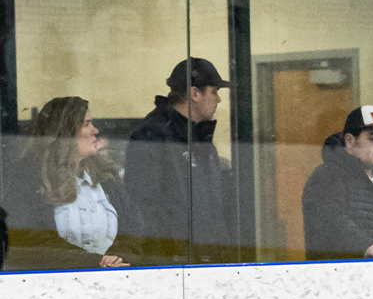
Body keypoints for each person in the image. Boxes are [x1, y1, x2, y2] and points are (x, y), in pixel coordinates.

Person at [123, 57, 235, 264]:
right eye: (214, 91)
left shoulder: (202, 139)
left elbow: (212, 209)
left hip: (208, 262)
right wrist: (169, 261)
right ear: (195, 93)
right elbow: (144, 208)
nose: (218, 100)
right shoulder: (153, 136)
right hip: (174, 265)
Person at [4, 97, 135, 271]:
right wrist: (94, 262)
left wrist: (117, 257)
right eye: (86, 124)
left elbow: (135, 230)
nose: (95, 130)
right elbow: (29, 244)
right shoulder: (28, 179)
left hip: (112, 280)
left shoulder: (107, 178)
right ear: (65, 132)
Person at [301, 106, 373, 261]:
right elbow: (329, 221)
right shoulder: (326, 176)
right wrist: (366, 245)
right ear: (350, 142)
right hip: (342, 275)